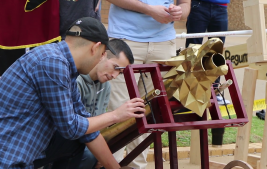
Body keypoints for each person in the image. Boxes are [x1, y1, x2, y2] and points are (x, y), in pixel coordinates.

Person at [0, 17, 145, 169]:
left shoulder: (65, 67)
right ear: (95, 48)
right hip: (8, 159)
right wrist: (115, 115)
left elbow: (87, 129)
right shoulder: (52, 62)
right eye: (103, 54)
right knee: (73, 138)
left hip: (21, 153)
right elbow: (71, 127)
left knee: (75, 143)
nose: (102, 59)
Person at [106, 0, 190, 168]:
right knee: (117, 108)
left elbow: (186, 4)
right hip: (125, 39)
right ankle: (109, 164)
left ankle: (137, 166)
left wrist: (179, 12)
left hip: (164, 43)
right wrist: (149, 10)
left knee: (150, 111)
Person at [76, 39, 134, 169]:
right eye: (115, 68)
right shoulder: (76, 81)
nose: (115, 76)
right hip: (69, 143)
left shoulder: (106, 87)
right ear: (103, 54)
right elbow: (75, 127)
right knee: (91, 155)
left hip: (88, 141)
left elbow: (98, 129)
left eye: (120, 72)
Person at [185, 0, 230, 105]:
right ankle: (189, 91)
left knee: (217, 50)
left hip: (221, 7)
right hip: (199, 5)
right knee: (193, 49)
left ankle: (214, 92)